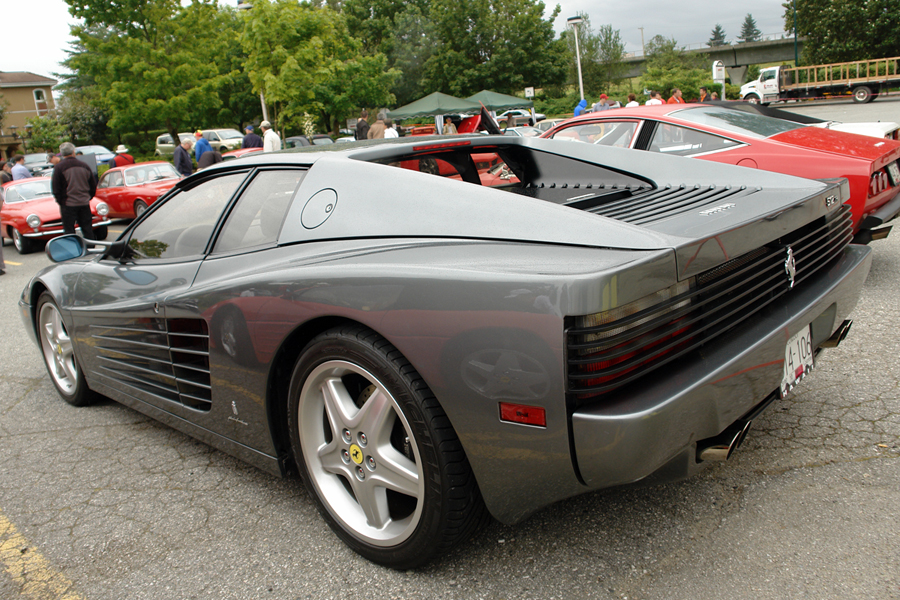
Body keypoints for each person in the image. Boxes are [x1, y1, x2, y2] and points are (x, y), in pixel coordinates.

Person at [51, 142, 98, 240]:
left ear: (62, 153)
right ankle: (91, 246)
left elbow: (56, 187)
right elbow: (93, 185)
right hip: (84, 202)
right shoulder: (84, 166)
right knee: (87, 227)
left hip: (68, 204)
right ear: (73, 152)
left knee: (69, 229)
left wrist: (61, 201)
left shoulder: (59, 168)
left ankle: (73, 248)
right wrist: (88, 197)